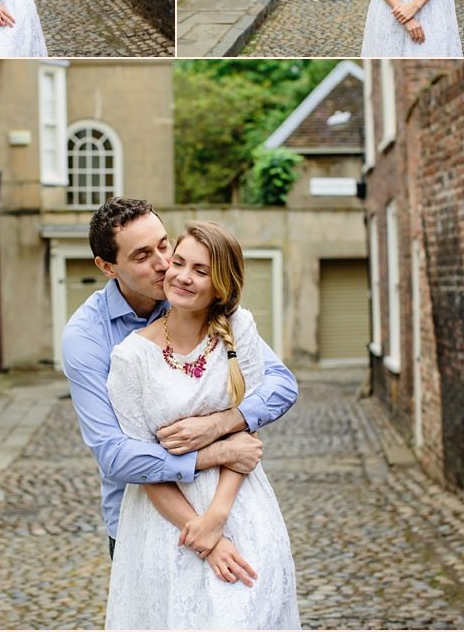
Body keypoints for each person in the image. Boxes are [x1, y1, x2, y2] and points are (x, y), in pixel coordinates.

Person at [61, 198, 298, 568]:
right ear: (107, 267)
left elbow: (279, 383)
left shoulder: (195, 299)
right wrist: (215, 454)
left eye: (163, 245)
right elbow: (115, 454)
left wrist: (220, 424)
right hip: (144, 521)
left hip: (230, 505)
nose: (163, 264)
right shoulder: (87, 338)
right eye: (142, 256)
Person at [104, 221, 299, 629]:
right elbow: (141, 465)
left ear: (221, 286)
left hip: (241, 505)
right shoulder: (130, 358)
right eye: (178, 263)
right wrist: (203, 535)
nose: (181, 276)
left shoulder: (239, 329)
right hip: (166, 522)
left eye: (201, 270)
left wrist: (218, 517)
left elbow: (243, 438)